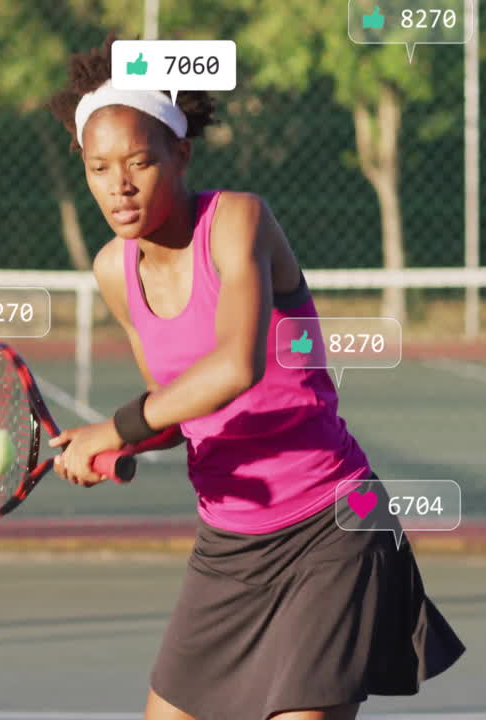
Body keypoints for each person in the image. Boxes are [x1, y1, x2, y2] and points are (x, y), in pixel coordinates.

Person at [44, 38, 464, 720]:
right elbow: (179, 415)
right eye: (99, 168)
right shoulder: (113, 272)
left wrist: (115, 426)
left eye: (140, 162)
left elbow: (236, 367)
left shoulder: (238, 220)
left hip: (332, 524)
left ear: (180, 154)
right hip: (228, 545)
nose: (118, 185)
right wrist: (118, 449)